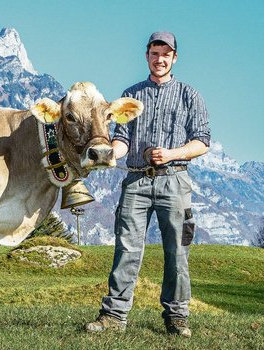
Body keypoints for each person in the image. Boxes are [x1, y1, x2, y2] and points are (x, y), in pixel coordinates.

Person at [85, 31, 211, 337]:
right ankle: (114, 315)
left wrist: (171, 153)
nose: (160, 59)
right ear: (147, 56)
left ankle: (177, 317)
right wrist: (109, 153)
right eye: (155, 53)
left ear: (174, 58)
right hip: (137, 181)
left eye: (166, 54)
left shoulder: (189, 95)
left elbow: (203, 142)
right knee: (126, 248)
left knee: (177, 251)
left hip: (175, 180)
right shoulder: (131, 95)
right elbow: (123, 140)